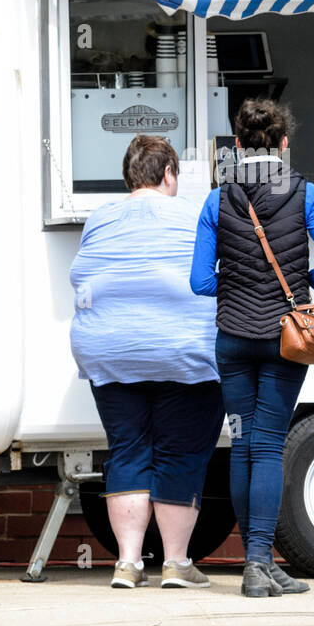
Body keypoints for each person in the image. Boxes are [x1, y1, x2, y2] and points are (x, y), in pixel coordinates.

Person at [191, 99, 314, 597]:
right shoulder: (305, 194)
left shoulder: (217, 200)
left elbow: (199, 282)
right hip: (285, 343)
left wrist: (238, 288)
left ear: (236, 145)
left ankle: (255, 562)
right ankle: (259, 562)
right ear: (285, 144)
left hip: (233, 343)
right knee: (268, 446)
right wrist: (298, 288)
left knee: (242, 443)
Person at [69, 135, 226, 590]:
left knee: (128, 450)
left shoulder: (100, 217)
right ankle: (176, 563)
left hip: (110, 350)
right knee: (180, 453)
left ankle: (128, 564)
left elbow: (81, 274)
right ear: (169, 174)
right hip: (185, 351)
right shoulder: (196, 212)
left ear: (130, 177)